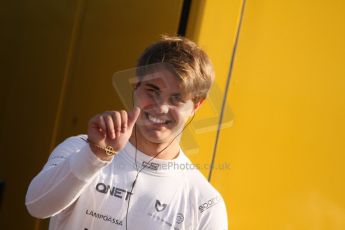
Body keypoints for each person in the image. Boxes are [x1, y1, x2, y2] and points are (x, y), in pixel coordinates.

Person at [26, 35, 228, 230]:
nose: (161, 107)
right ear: (135, 87)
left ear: (196, 105)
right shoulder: (80, 149)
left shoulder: (205, 203)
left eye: (177, 98)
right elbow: (36, 206)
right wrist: (96, 155)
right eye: (152, 90)